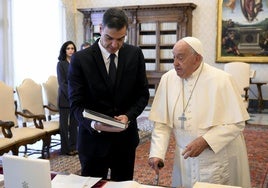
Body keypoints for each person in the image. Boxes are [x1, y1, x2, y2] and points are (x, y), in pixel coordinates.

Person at [148, 36, 251, 188]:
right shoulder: (167, 79)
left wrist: (205, 141)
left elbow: (236, 123)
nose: (175, 63)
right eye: (174, 57)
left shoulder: (222, 80)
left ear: (197, 58)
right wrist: (157, 153)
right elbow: (162, 123)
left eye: (181, 58)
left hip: (214, 157)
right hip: (185, 158)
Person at [68, 8, 149, 181]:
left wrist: (128, 116)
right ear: (100, 29)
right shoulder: (80, 59)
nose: (114, 44)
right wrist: (94, 124)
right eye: (109, 38)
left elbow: (142, 95)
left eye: (120, 39)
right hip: (92, 142)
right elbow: (75, 103)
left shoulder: (134, 55)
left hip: (125, 142)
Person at [57, 40, 78, 156]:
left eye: (72, 48)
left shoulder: (76, 62)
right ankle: (65, 149)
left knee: (74, 124)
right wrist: (71, 94)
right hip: (65, 98)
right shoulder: (61, 64)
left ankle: (74, 146)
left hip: (75, 98)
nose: (70, 50)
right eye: (68, 48)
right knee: (64, 126)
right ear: (64, 50)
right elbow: (62, 83)